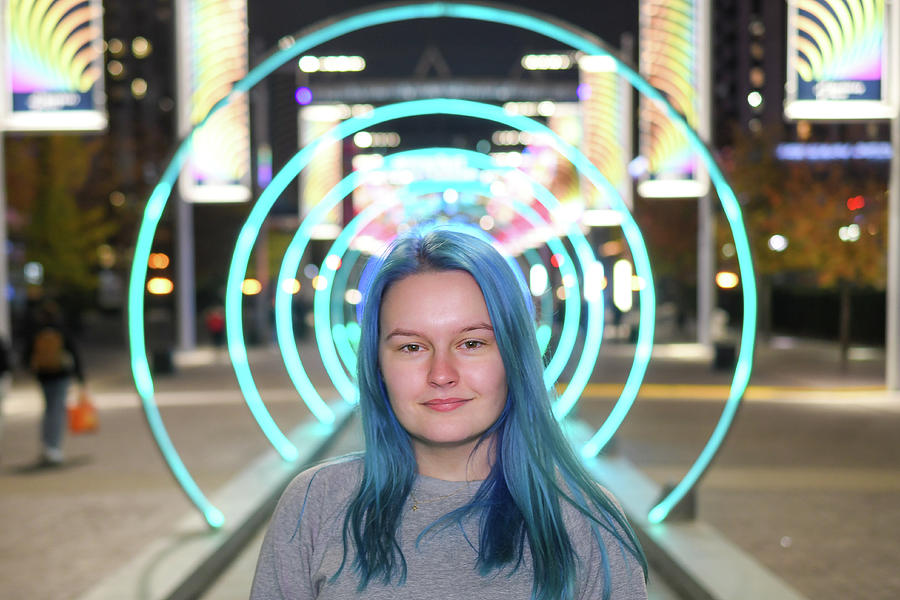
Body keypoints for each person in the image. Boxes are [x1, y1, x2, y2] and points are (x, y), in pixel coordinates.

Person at [251, 230, 648, 599]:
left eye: (471, 343)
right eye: (411, 347)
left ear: (514, 357)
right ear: (377, 367)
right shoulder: (316, 505)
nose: (442, 374)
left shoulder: (587, 523)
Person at [23, 301, 85, 466]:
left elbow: (27, 354)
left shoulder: (37, 331)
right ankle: (54, 448)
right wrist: (80, 377)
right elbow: (74, 353)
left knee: (48, 410)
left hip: (44, 376)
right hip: (61, 376)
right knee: (57, 411)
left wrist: (31, 370)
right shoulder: (61, 330)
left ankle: (46, 446)